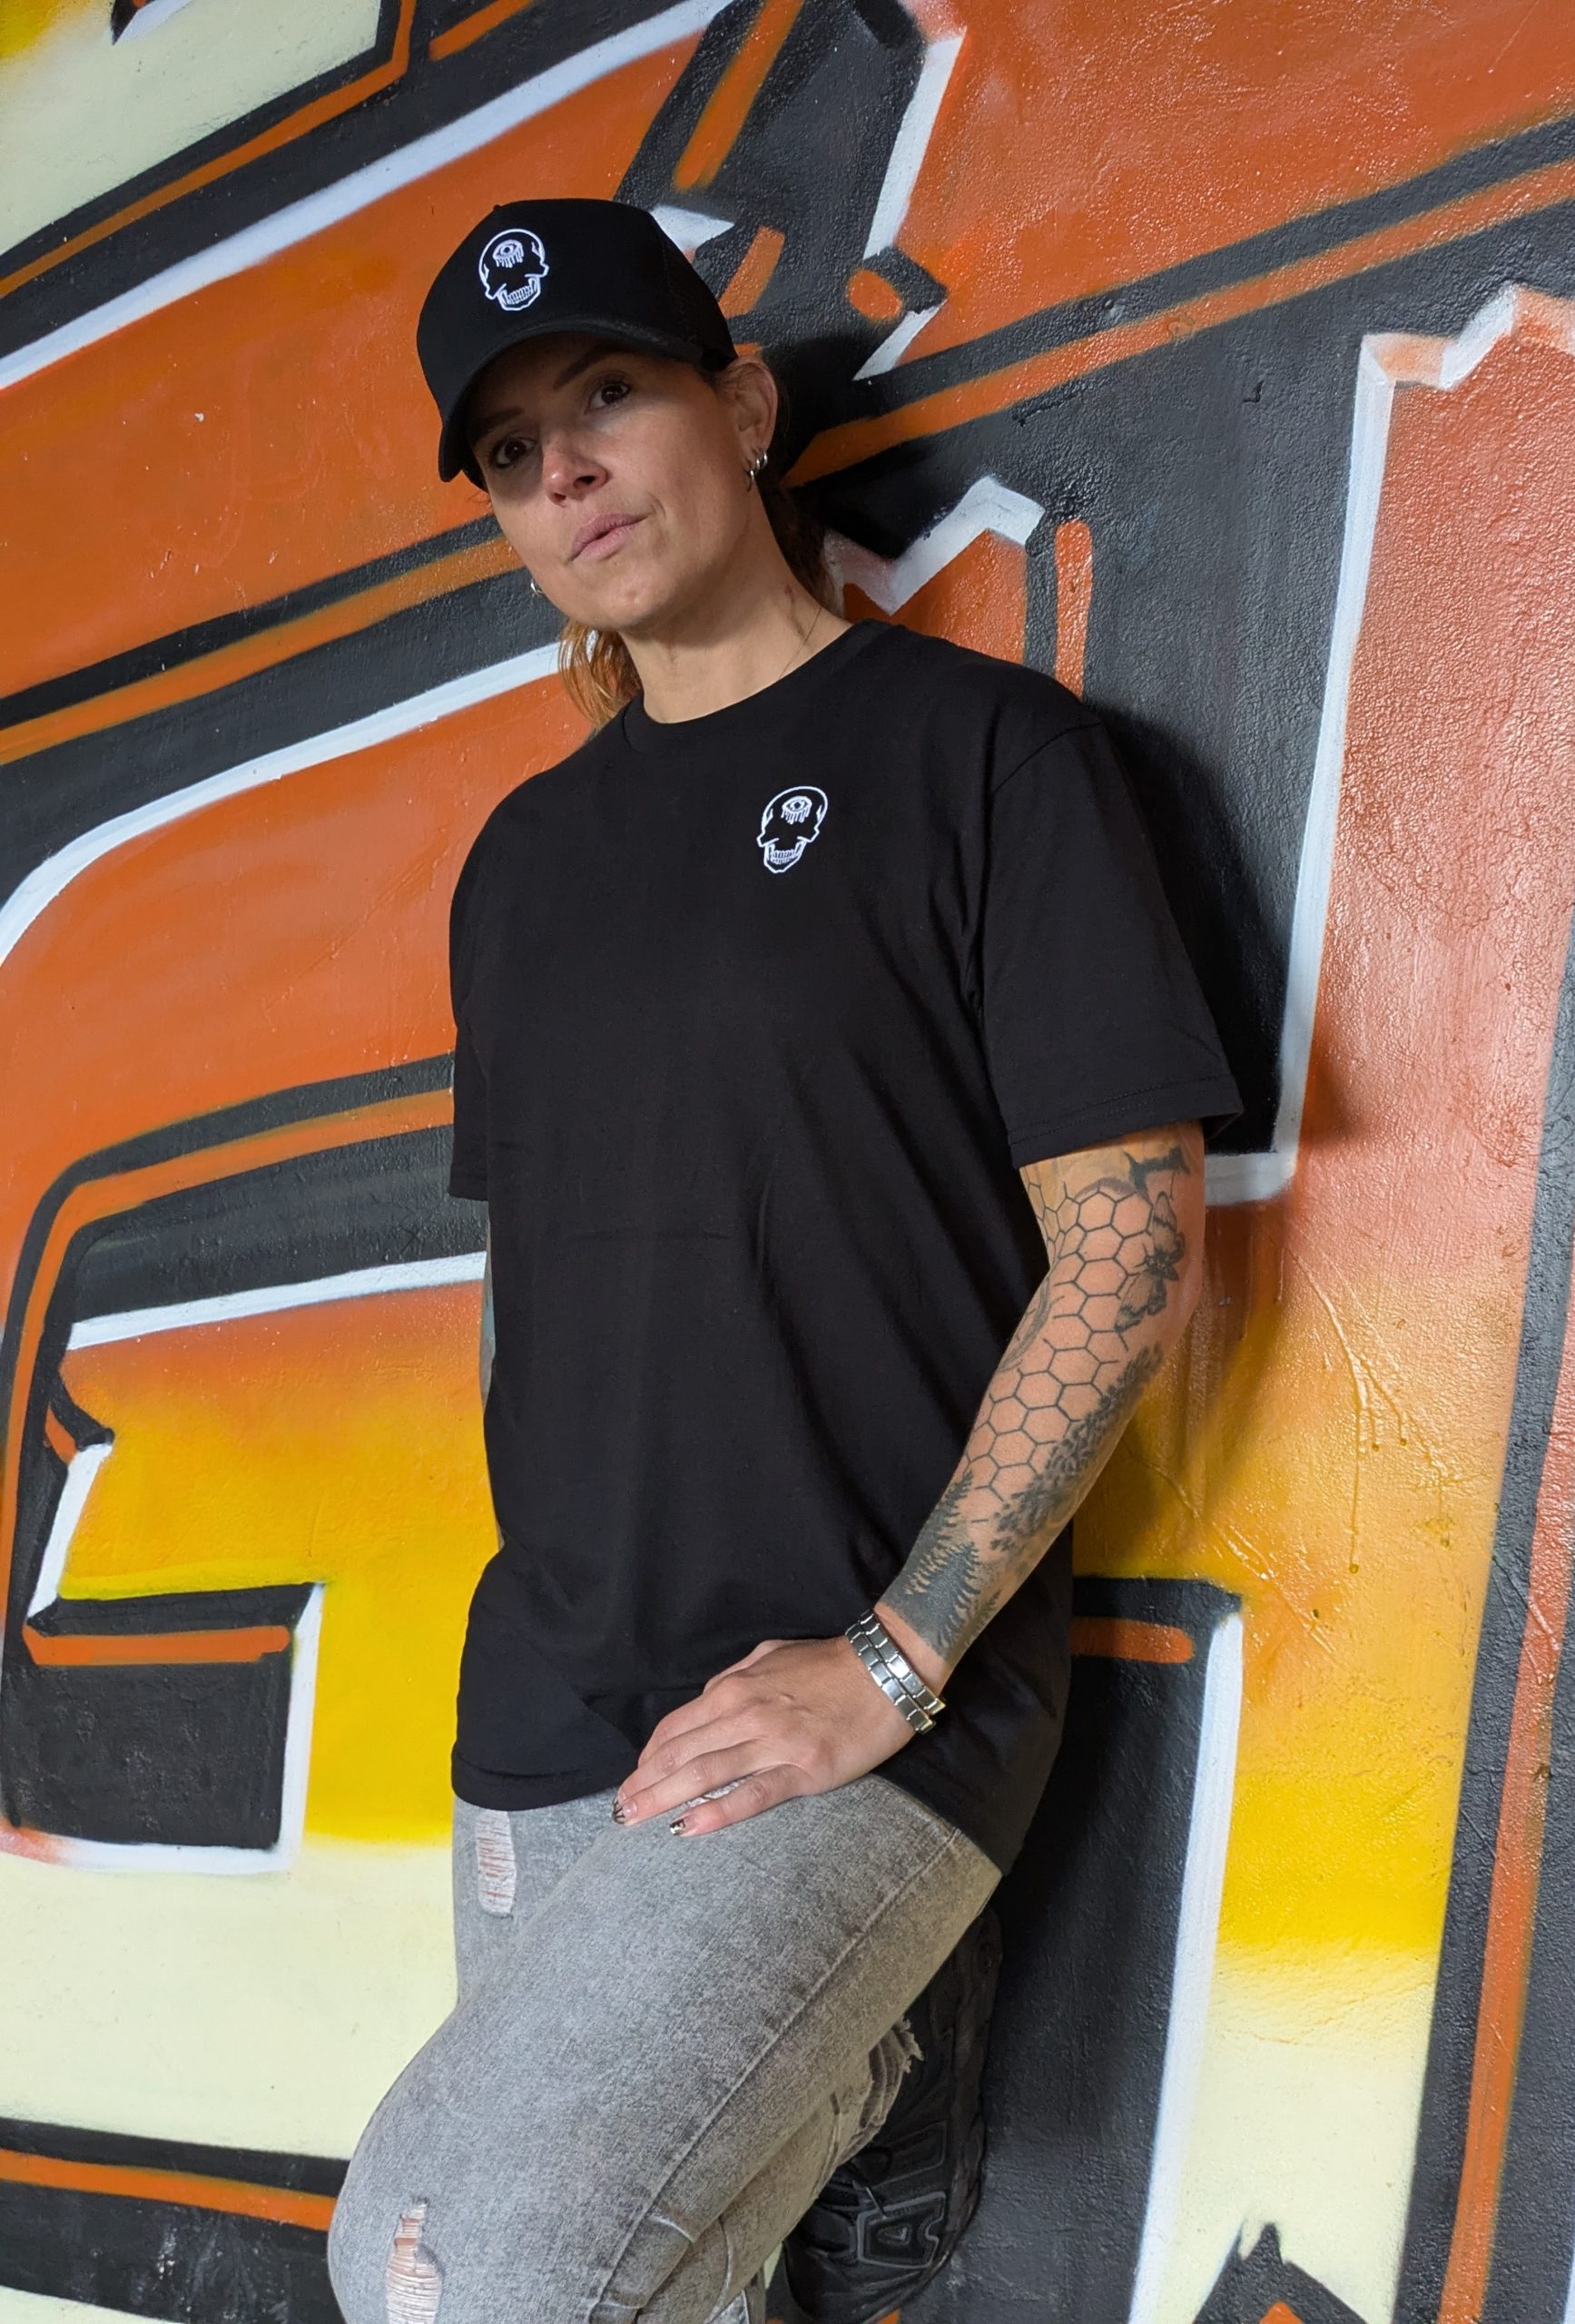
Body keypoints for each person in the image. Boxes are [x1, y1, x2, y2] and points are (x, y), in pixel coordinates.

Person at [326, 198, 1240, 2324]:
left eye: (609, 392)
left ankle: (875, 2051)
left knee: (461, 2268)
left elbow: (1131, 1247)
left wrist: (896, 1656)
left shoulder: (988, 761)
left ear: (742, 405)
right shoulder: (520, 864)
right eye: (509, 450)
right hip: (548, 1707)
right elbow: (545, 1293)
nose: (565, 468)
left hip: (852, 1689)